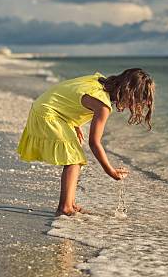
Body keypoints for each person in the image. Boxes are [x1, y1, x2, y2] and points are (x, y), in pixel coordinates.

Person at [17, 68, 155, 216]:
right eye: (138, 101)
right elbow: (94, 143)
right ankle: (65, 207)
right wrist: (110, 170)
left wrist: (74, 123)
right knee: (74, 159)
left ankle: (70, 202)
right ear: (129, 94)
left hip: (47, 106)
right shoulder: (103, 105)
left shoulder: (98, 81)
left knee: (75, 156)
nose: (136, 107)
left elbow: (70, 93)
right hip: (47, 113)